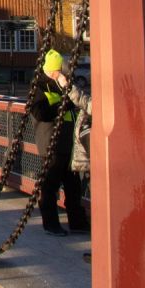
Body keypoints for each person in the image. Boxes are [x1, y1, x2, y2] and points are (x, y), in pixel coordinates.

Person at [27, 49, 89, 236]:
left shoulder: (61, 84)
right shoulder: (39, 87)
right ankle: (51, 224)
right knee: (50, 186)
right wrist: (64, 104)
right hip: (51, 142)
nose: (62, 73)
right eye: (59, 70)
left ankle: (77, 222)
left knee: (73, 187)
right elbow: (40, 113)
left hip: (68, 143)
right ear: (53, 69)